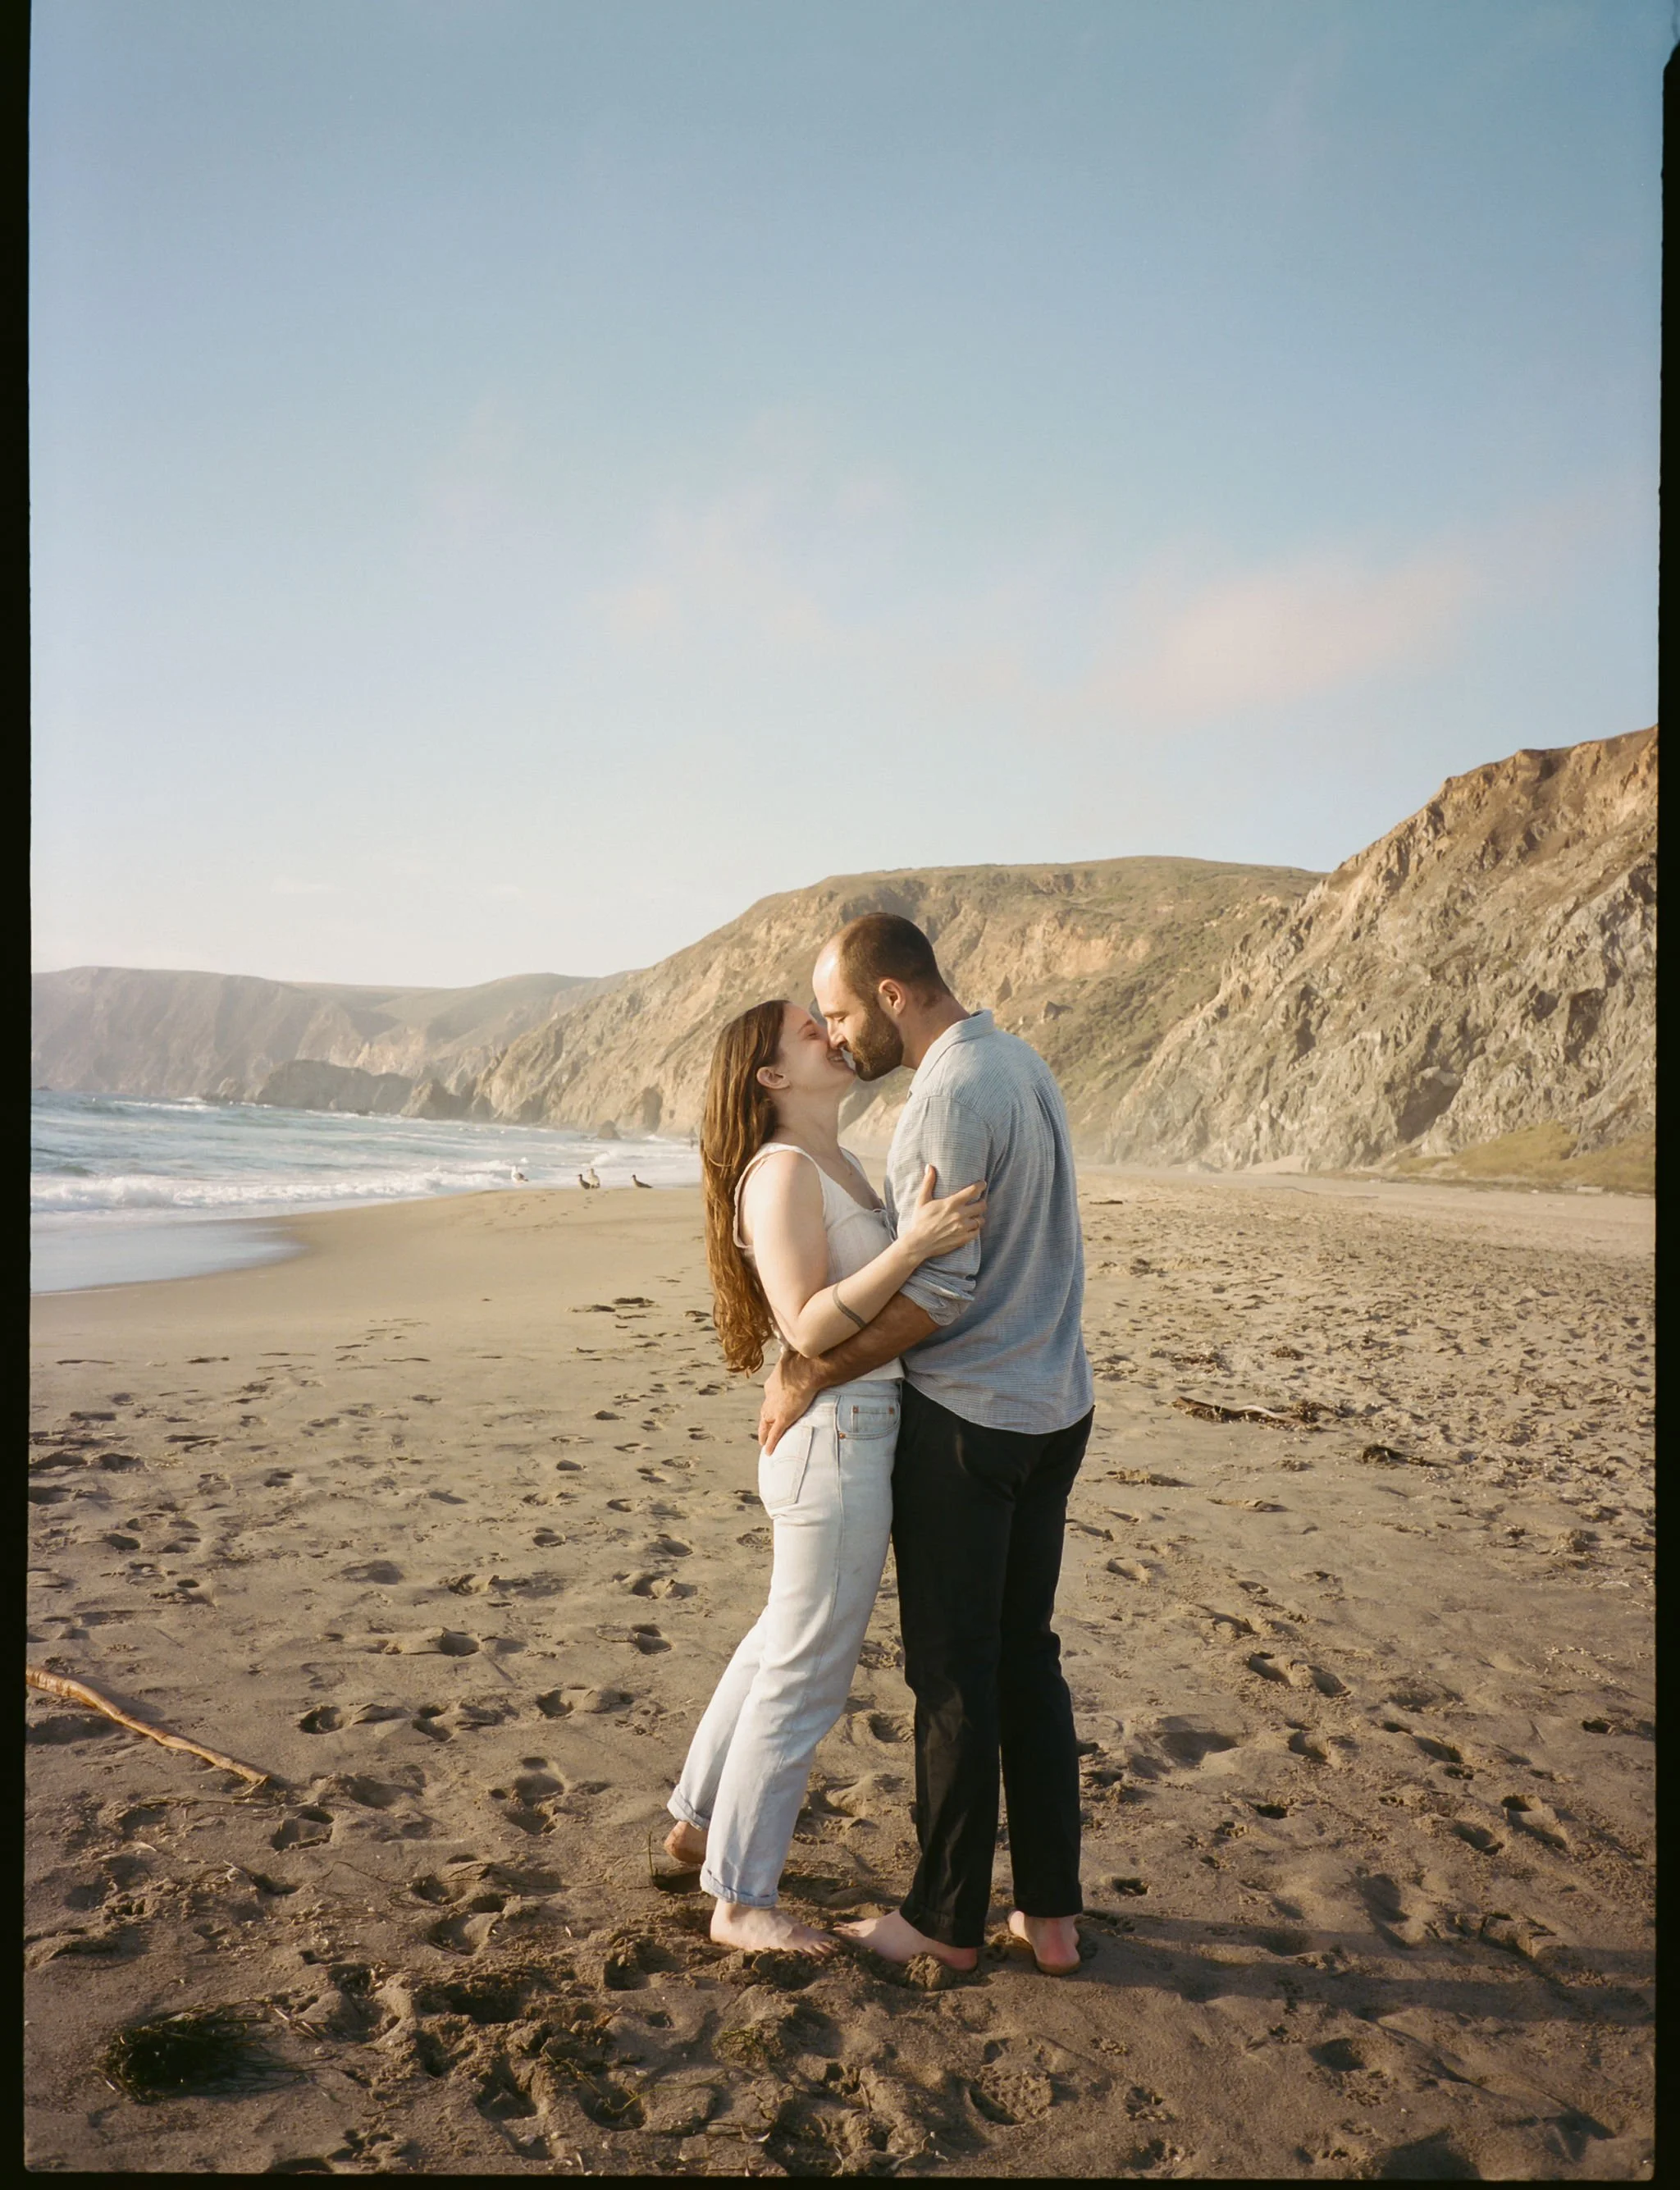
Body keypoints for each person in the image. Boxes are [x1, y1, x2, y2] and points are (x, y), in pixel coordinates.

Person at [759, 914, 1094, 1976]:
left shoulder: (943, 1095)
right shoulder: (1017, 1060)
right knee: (1028, 1660)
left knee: (954, 1674)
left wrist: (812, 1369)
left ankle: (945, 1921)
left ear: (896, 994)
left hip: (974, 1427)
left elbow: (941, 1297)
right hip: (1056, 1406)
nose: (844, 1037)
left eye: (848, 1013)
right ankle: (1050, 1914)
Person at [663, 997, 987, 1953]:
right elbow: (804, 1325)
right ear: (769, 1078)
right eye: (809, 1032)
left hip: (848, 1430)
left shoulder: (833, 1161)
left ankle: (693, 1824)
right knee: (806, 1671)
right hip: (836, 1439)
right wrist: (913, 1246)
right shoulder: (779, 1171)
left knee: (780, 1639)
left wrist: (904, 1243)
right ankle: (739, 1899)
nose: (831, 1036)